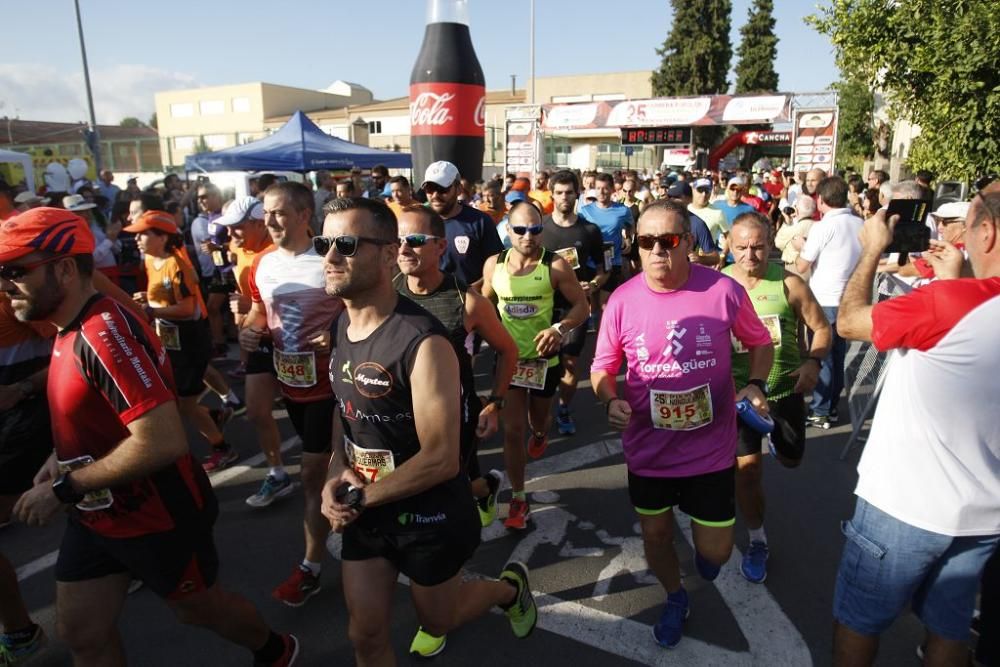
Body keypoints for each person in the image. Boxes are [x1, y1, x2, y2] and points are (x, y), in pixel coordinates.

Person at [2, 207, 298, 666]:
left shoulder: (103, 334)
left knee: (198, 610)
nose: (4, 284)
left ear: (63, 268)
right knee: (82, 633)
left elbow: (163, 440)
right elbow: (93, 413)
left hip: (156, 514)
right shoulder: (69, 325)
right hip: (95, 512)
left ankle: (275, 649)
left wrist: (66, 485)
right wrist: (60, 457)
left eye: (15, 271)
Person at [318, 197, 537, 664]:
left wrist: (358, 499)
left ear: (384, 252)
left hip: (428, 511)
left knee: (438, 619)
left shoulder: (424, 341)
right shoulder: (341, 325)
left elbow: (441, 458)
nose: (330, 257)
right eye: (325, 243)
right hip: (368, 509)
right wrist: (334, 476)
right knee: (365, 634)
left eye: (347, 245)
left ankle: (507, 590)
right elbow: (346, 413)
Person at [590, 199, 774, 649]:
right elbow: (601, 365)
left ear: (689, 243)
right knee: (655, 534)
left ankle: (705, 562)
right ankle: (675, 596)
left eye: (668, 241)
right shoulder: (622, 299)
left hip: (710, 450)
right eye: (646, 241)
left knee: (715, 553)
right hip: (648, 452)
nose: (657, 251)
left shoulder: (723, 290)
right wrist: (609, 397)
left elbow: (760, 341)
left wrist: (754, 384)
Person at [831, 189, 1000, 667]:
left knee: (858, 620)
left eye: (967, 226)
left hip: (904, 506)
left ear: (985, 232)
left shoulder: (945, 304)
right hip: (985, 515)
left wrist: (871, 249)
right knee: (949, 628)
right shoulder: (956, 299)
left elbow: (848, 322)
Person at [240, 182, 342, 607]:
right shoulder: (260, 263)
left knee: (313, 478)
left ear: (304, 216)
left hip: (334, 386)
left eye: (280, 213)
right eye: (266, 213)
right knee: (324, 477)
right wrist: (250, 329)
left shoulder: (333, 257)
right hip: (291, 384)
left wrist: (335, 333)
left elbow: (370, 308)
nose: (270, 221)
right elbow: (258, 309)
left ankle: (310, 567)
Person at [722, 212, 831, 584]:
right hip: (739, 397)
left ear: (771, 245)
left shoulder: (789, 283)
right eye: (741, 247)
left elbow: (820, 328)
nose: (750, 255)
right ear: (728, 245)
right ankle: (757, 540)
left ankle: (777, 444)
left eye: (758, 247)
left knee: (790, 460)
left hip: (784, 391)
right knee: (747, 474)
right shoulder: (716, 286)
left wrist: (813, 363)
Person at [393, 206, 518, 528]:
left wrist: (495, 404)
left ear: (441, 246)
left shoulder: (468, 301)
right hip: (398, 416)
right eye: (398, 240)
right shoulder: (386, 293)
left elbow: (507, 351)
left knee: (442, 500)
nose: (404, 248)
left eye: (416, 240)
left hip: (453, 419)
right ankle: (483, 487)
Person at [481, 202, 589, 530]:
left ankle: (542, 432)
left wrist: (559, 329)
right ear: (507, 231)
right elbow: (484, 301)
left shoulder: (554, 265)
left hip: (545, 362)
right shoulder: (494, 265)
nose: (529, 236)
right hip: (509, 362)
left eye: (536, 229)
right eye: (521, 230)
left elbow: (581, 306)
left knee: (537, 422)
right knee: (513, 431)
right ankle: (518, 498)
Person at [123, 211, 238, 471]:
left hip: (189, 340)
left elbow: (188, 309)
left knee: (184, 405)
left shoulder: (178, 265)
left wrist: (152, 311)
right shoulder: (152, 260)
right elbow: (166, 298)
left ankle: (222, 447)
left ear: (163, 237)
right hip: (169, 341)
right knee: (180, 402)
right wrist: (148, 298)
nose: (138, 239)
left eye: (144, 234)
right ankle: (214, 416)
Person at [214, 197, 293, 508]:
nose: (230, 234)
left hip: (294, 341)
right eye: (229, 228)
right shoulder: (240, 251)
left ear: (260, 223)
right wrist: (246, 328)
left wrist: (251, 309)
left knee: (313, 416)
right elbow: (251, 307)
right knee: (258, 411)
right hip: (261, 338)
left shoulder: (281, 251)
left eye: (237, 227)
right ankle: (277, 473)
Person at [539, 170, 606, 436]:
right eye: (559, 192)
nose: (564, 197)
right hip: (542, 306)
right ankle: (539, 409)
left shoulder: (589, 230)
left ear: (577, 194)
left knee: (569, 362)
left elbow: (604, 270)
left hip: (575, 307)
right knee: (541, 362)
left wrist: (594, 285)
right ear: (551, 194)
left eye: (569, 192)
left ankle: (564, 407)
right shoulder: (540, 228)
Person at [795, 176, 863, 428]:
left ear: (821, 200)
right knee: (837, 355)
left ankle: (820, 410)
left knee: (822, 357)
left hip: (824, 299)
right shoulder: (860, 223)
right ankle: (831, 406)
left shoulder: (822, 227)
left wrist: (800, 245)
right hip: (850, 299)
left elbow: (803, 264)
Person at [422, 161, 504, 290]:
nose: (435, 195)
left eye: (443, 189)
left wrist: (468, 293)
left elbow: (497, 266)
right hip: (429, 304)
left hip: (470, 304)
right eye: (430, 189)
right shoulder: (420, 222)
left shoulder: (480, 221)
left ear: (459, 189)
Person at [578, 173, 634, 303]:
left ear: (612, 189)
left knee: (605, 303)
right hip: (591, 261)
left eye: (605, 188)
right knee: (592, 304)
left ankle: (603, 323)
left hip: (612, 261)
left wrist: (628, 239)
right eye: (598, 188)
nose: (601, 192)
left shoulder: (623, 210)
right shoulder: (584, 211)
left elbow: (631, 226)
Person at [665, 182, 721, 267]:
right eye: (669, 197)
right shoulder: (660, 219)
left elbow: (715, 257)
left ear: (689, 199)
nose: (672, 200)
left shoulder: (697, 224)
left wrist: (699, 259)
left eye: (677, 197)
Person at [774, 196, 817, 273]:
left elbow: (778, 243)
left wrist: (787, 223)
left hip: (794, 268)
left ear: (796, 210)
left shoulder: (794, 229)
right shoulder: (818, 226)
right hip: (813, 268)